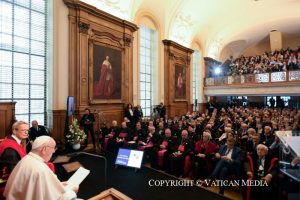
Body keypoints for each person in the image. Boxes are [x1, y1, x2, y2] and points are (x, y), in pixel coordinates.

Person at [3, 136, 78, 200]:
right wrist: (71, 191)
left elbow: (37, 186)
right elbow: (56, 197)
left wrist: (58, 185)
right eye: (53, 149)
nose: (54, 152)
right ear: (44, 149)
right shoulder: (41, 169)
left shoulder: (26, 159)